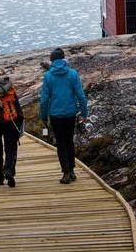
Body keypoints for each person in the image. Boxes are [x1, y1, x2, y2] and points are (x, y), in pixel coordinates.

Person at [39, 47, 89, 184]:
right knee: (69, 141)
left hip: (55, 115)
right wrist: (84, 113)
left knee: (61, 143)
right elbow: (81, 95)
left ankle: (66, 172)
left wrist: (43, 116)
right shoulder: (72, 74)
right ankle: (72, 170)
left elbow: (44, 100)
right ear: (63, 58)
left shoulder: (48, 76)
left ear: (52, 60)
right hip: (70, 113)